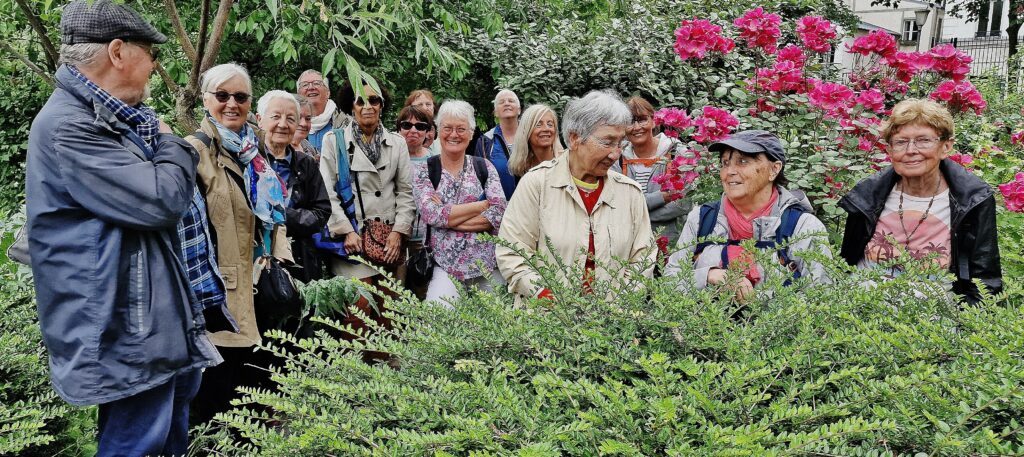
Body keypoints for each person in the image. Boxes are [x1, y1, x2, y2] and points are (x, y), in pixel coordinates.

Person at [26, 1, 220, 454]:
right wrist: (179, 145)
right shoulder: (71, 126)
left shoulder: (112, 119)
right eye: (149, 51)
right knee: (136, 444)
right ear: (117, 52)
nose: (154, 64)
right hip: (128, 331)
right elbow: (159, 200)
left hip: (151, 323)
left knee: (165, 439)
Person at [187, 63, 293, 424]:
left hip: (259, 286)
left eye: (240, 96)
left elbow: (271, 220)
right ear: (206, 99)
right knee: (218, 399)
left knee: (253, 395)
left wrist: (281, 266)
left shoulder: (253, 151)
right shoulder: (194, 153)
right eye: (222, 95)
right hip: (220, 296)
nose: (232, 103)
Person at [497, 90, 655, 305]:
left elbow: (643, 257)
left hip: (610, 325)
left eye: (620, 143)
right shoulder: (538, 184)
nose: (615, 153)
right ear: (574, 138)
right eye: (607, 142)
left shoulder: (629, 193)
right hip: (547, 323)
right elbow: (513, 252)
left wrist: (620, 303)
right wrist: (549, 299)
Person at [839, 99, 1002, 303]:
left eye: (923, 140)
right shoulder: (867, 194)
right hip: (859, 313)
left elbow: (985, 279)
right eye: (900, 142)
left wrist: (969, 326)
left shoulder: (973, 200)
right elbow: (846, 261)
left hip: (933, 323)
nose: (910, 150)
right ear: (890, 150)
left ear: (946, 146)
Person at [664, 130, 831, 302]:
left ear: (774, 169)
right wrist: (708, 276)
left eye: (742, 161)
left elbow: (819, 297)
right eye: (725, 163)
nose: (729, 171)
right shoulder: (702, 218)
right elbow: (670, 279)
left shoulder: (802, 226)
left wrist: (757, 302)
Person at [319, 79, 415, 356]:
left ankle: (383, 374)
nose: (368, 106)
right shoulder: (333, 141)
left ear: (382, 106)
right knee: (358, 308)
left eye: (374, 100)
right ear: (351, 105)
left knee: (388, 310)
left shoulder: (397, 144)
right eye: (361, 100)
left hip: (388, 241)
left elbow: (406, 193)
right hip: (353, 241)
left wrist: (399, 232)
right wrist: (345, 230)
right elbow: (328, 191)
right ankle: (354, 374)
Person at [414, 100, 508, 303]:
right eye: (447, 128)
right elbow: (431, 214)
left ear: (471, 133)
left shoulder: (484, 167)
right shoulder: (426, 170)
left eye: (461, 129)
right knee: (439, 321)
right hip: (443, 265)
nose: (454, 135)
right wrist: (481, 206)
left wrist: (447, 217)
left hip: (487, 265)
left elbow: (499, 212)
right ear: (439, 131)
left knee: (497, 327)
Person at [256, 90, 331, 284]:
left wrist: (281, 216)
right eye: (275, 117)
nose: (283, 124)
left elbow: (321, 212)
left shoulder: (306, 163)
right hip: (255, 259)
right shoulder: (248, 160)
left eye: (290, 118)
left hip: (300, 260)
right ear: (259, 120)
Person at [613, 96, 691, 242]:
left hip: (671, 243)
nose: (636, 127)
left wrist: (635, 217)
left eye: (642, 119)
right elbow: (617, 203)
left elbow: (684, 202)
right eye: (630, 121)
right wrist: (660, 197)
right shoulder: (617, 157)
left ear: (653, 120)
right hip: (629, 245)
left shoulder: (676, 153)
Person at [396, 105, 438, 298]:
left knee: (423, 290)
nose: (413, 130)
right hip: (396, 237)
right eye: (407, 125)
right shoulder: (390, 156)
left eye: (420, 126)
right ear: (399, 129)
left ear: (428, 132)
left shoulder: (435, 161)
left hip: (425, 239)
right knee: (395, 292)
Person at [474, 89, 521, 199]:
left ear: (519, 110)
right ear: (495, 112)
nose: (507, 103)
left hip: (529, 207)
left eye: (511, 100)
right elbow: (479, 179)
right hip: (498, 208)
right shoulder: (485, 141)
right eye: (501, 102)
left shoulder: (531, 136)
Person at [296, 69, 350, 150]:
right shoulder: (291, 125)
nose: (311, 87)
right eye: (305, 85)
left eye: (317, 83)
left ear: (328, 93)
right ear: (298, 94)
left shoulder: (346, 122)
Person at [507, 104, 564, 179]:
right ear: (526, 131)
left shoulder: (565, 162)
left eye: (550, 124)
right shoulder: (522, 168)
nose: (546, 129)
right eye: (538, 125)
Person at [404, 89, 439, 155]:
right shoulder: (403, 128)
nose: (425, 108)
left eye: (428, 104)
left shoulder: (442, 128)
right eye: (420, 105)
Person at [292, 94, 320, 160]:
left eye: (308, 119)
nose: (304, 124)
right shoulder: (278, 149)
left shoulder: (306, 145)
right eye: (298, 118)